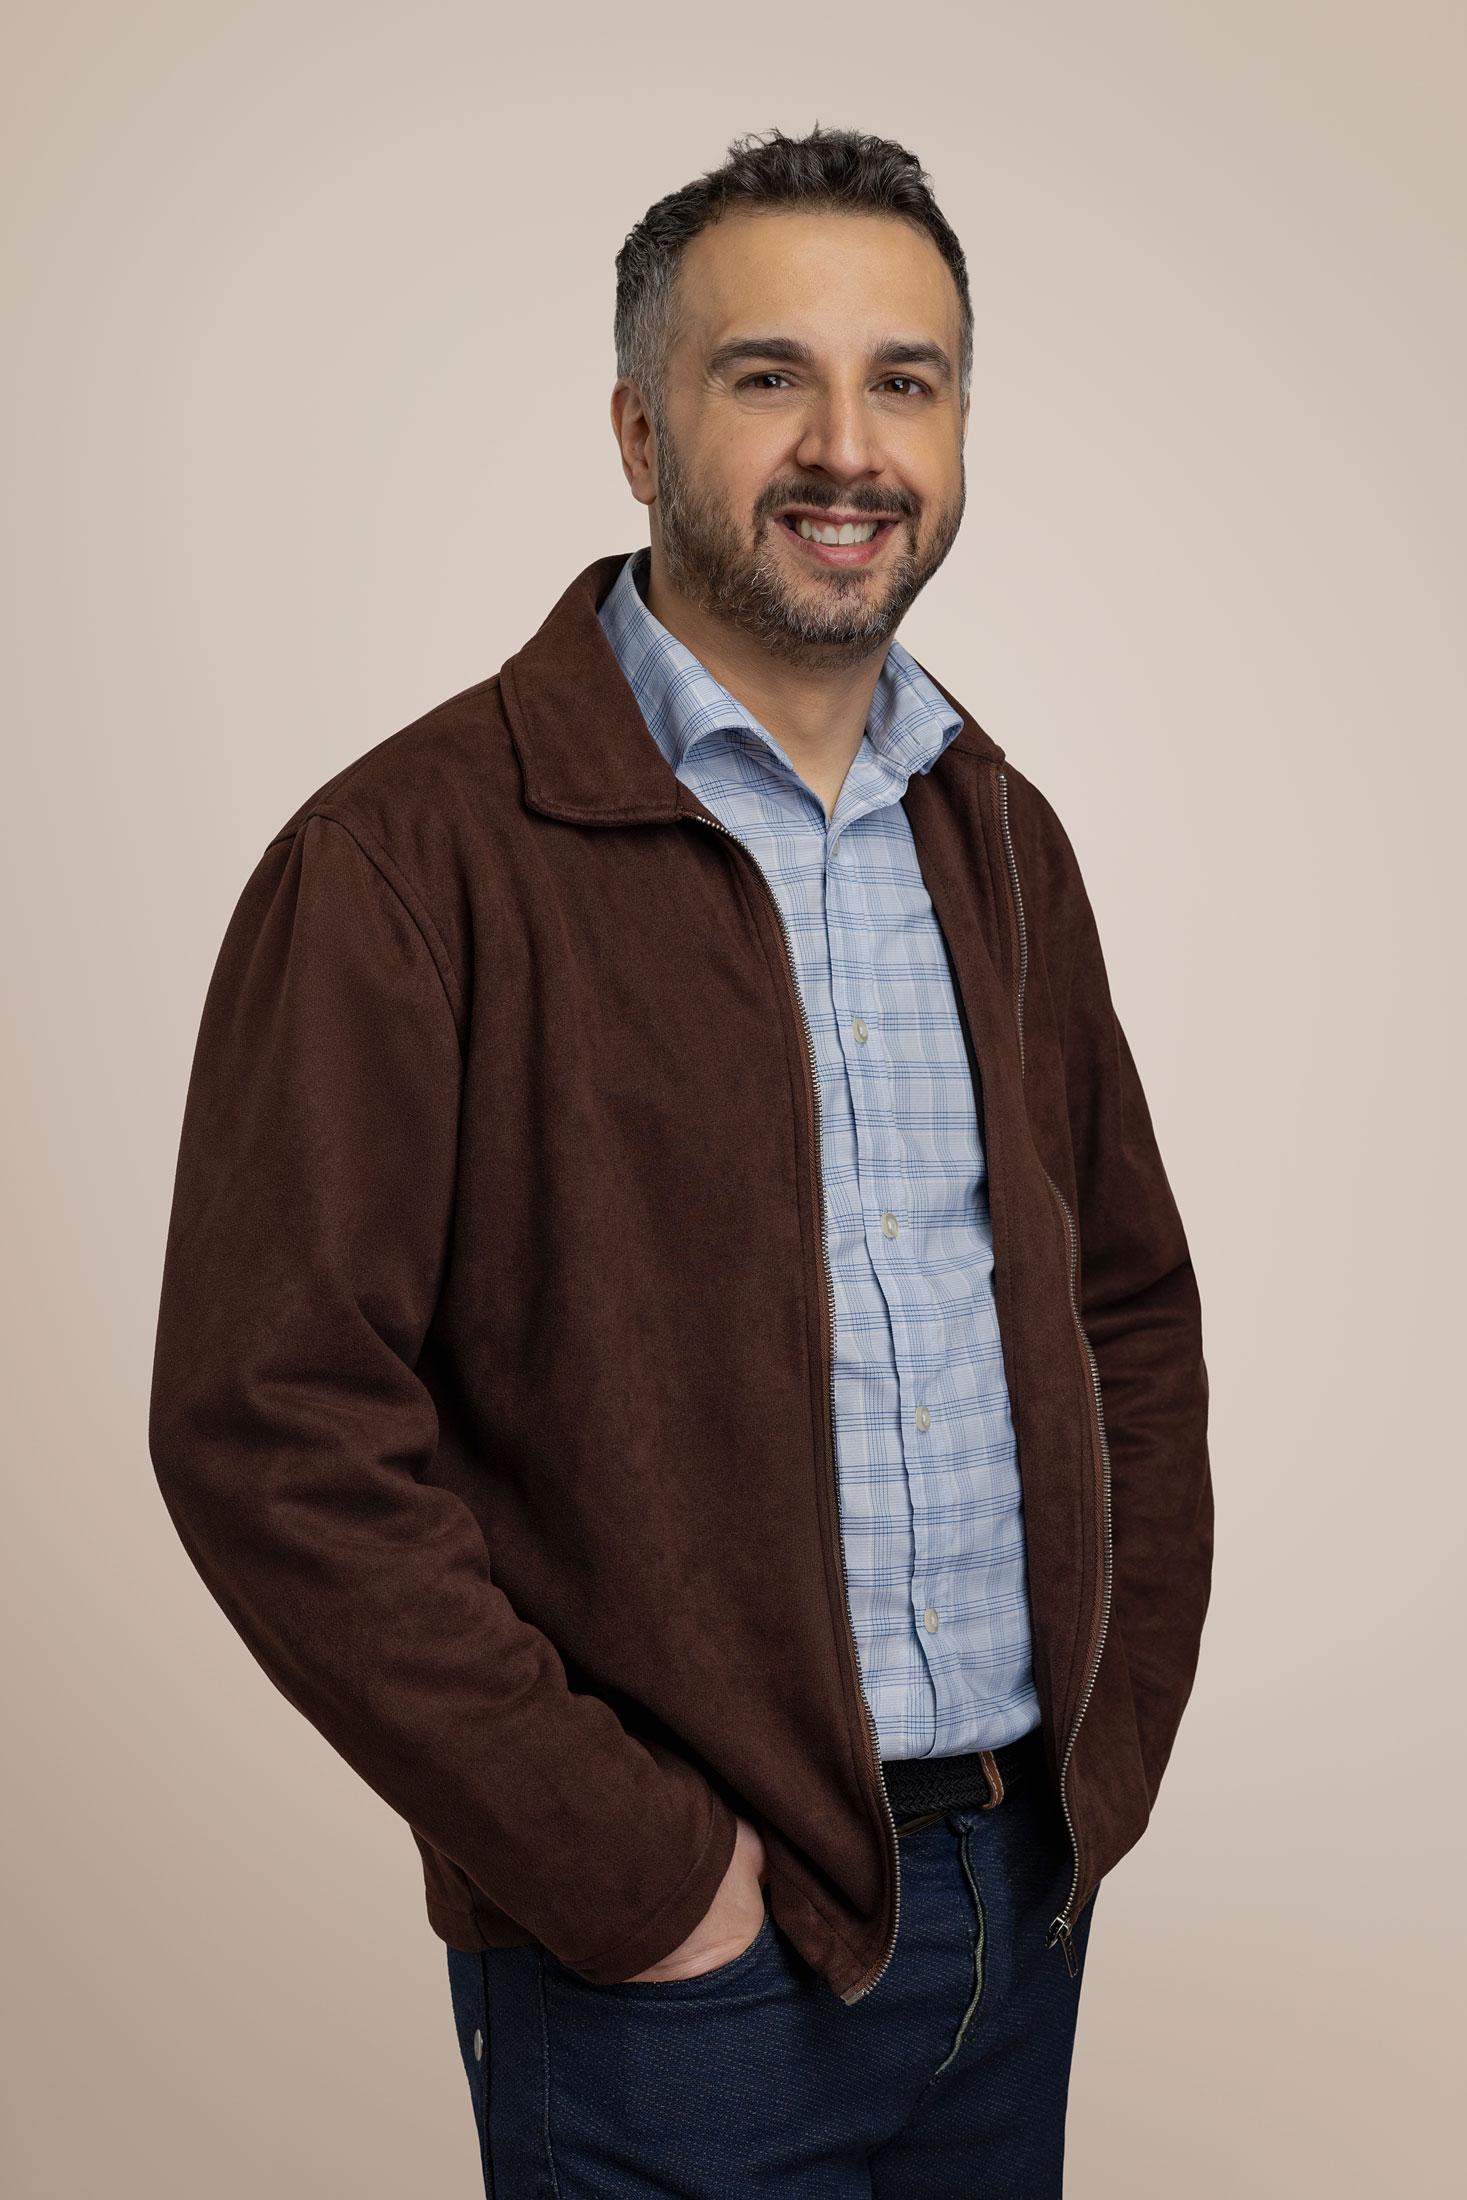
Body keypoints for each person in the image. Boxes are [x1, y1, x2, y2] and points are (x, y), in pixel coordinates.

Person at [151, 127, 1211, 2198]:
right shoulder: (406, 860)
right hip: (672, 1978)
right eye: (767, 376)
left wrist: (1114, 1745)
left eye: (905, 381)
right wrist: (627, 1869)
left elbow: (1126, 1315)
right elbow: (268, 1424)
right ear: (639, 430)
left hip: (1017, 1902)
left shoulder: (999, 833)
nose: (848, 447)